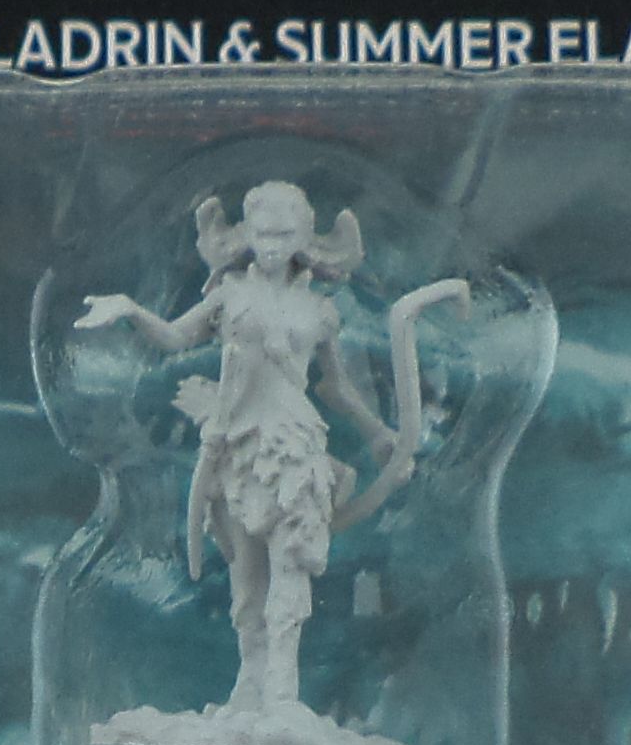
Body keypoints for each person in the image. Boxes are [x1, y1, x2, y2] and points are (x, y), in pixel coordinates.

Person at [76, 181, 397, 713]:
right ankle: (249, 687)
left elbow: (337, 386)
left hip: (293, 446)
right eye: (262, 234)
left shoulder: (319, 311)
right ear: (246, 234)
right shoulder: (229, 296)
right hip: (236, 447)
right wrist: (130, 308)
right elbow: (176, 338)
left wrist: (378, 431)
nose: (271, 246)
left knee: (291, 565)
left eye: (284, 235)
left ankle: (283, 693)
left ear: (304, 239)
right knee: (246, 578)